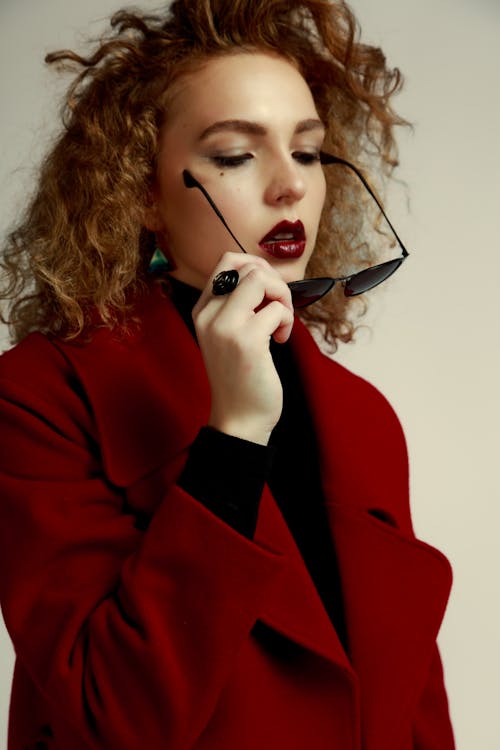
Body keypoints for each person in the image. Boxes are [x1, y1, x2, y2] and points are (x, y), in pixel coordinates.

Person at [0, 1, 454, 748]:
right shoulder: (46, 393)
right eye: (236, 155)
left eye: (308, 153)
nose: (289, 187)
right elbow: (111, 718)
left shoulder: (362, 416)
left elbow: (416, 708)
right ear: (144, 191)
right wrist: (235, 437)